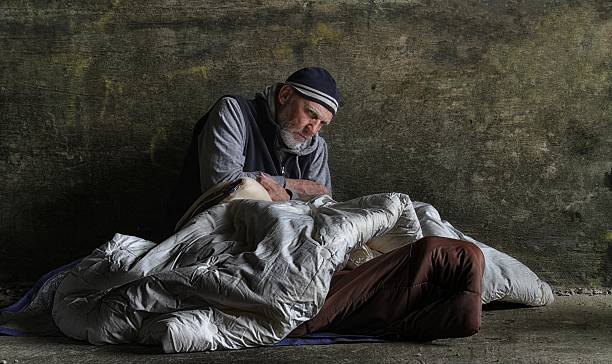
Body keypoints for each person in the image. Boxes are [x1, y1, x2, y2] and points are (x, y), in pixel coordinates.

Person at [167, 67, 339, 228]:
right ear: (285, 95)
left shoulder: (316, 146)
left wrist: (286, 195)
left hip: (268, 241)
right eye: (311, 114)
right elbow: (222, 187)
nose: (313, 130)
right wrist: (294, 187)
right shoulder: (234, 111)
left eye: (322, 123)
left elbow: (323, 210)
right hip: (206, 232)